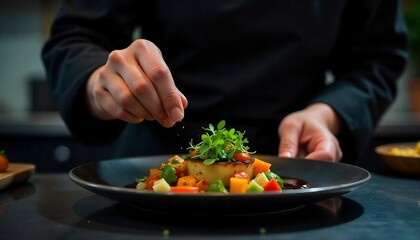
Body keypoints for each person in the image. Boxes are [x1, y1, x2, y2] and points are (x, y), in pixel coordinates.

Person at [42, 0, 408, 165]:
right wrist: (99, 84)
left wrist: (327, 114)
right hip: (158, 168)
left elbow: (378, 57)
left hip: (296, 170)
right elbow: (75, 37)